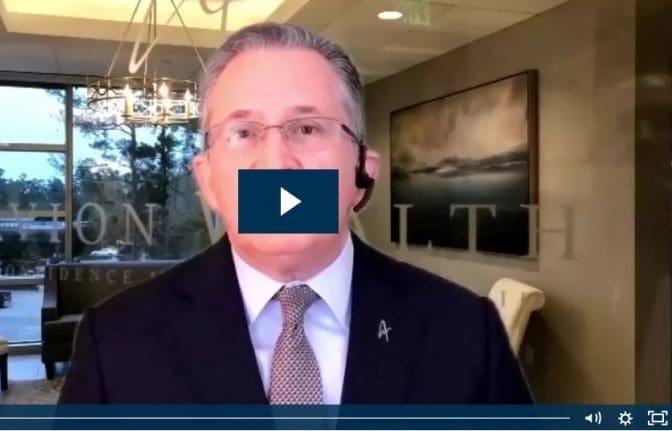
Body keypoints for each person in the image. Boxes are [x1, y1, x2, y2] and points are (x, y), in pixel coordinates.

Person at [59, 22, 533, 404]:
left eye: (306, 128)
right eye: (244, 133)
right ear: (207, 180)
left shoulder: (466, 331)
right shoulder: (116, 340)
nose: (276, 163)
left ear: (361, 173)